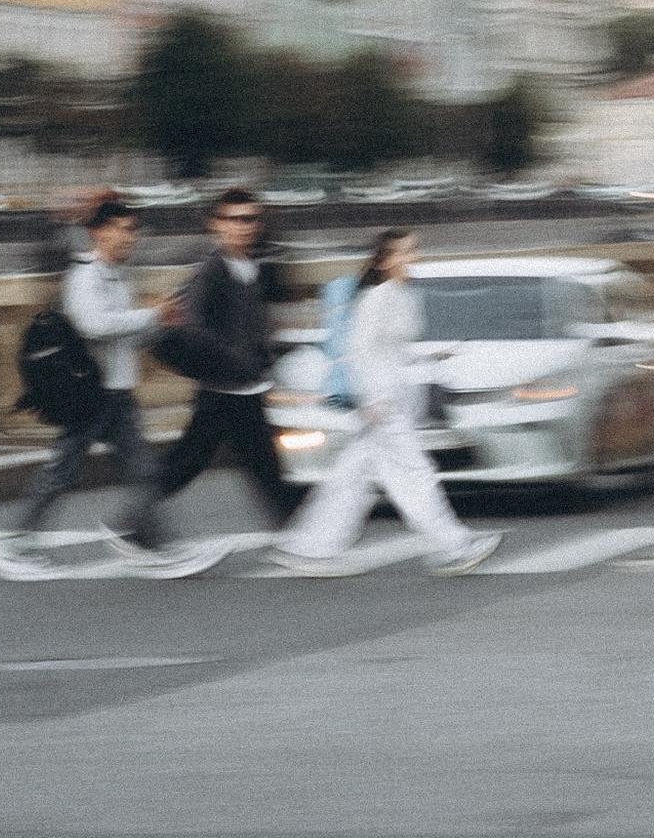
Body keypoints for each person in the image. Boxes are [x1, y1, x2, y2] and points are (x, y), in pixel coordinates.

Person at [261, 227, 499, 577]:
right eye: (404, 252)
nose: (412, 257)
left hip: (396, 399)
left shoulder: (403, 294)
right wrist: (371, 400)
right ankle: (453, 546)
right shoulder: (377, 297)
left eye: (414, 250)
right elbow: (358, 352)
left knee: (351, 479)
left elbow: (395, 351)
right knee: (414, 475)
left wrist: (433, 354)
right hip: (383, 403)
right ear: (385, 261)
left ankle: (308, 547)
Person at [0, 192, 198, 580]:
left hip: (118, 393)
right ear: (96, 232)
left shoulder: (118, 277)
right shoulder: (84, 276)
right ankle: (18, 545)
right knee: (62, 473)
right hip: (89, 394)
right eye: (119, 229)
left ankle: (152, 541)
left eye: (132, 230)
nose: (128, 237)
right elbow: (95, 325)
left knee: (142, 471)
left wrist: (159, 321)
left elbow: (125, 335)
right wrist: (148, 313)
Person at [151, 186, 300, 547]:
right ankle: (135, 525)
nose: (244, 226)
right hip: (222, 389)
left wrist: (260, 363)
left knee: (261, 466)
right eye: (234, 219)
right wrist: (237, 360)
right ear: (214, 224)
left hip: (243, 388)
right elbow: (194, 327)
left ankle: (300, 533)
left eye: (251, 219)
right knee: (190, 463)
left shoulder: (253, 266)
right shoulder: (211, 270)